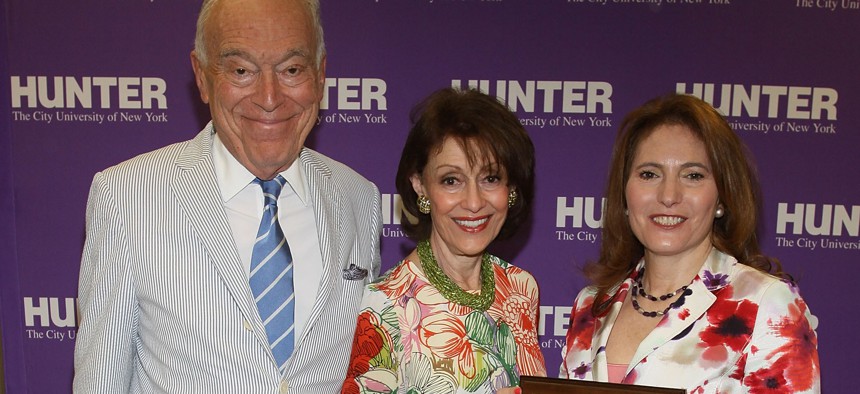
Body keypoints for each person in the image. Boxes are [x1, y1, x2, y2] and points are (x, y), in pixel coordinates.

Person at [73, 0, 381, 392]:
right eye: (241, 70)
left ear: (320, 75)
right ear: (202, 77)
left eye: (291, 70)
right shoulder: (126, 196)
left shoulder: (359, 198)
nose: (269, 98)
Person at [559, 93, 820, 392]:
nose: (669, 195)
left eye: (693, 175)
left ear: (722, 196)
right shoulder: (591, 304)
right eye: (649, 174)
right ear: (625, 195)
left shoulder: (767, 304)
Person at [341, 88, 547, 393]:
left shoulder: (521, 287)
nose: (474, 202)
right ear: (420, 186)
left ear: (511, 186)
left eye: (490, 178)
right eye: (451, 180)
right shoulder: (384, 306)